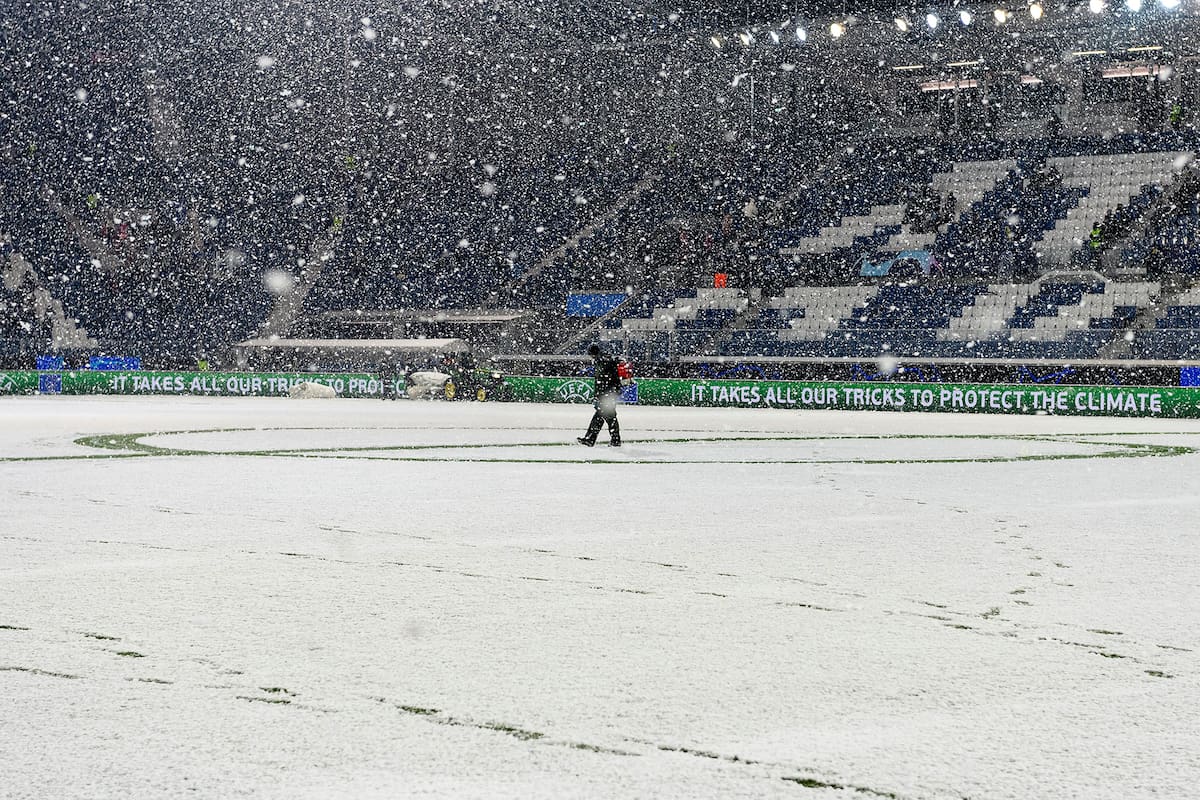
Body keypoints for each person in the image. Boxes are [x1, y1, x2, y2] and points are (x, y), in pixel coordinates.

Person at [577, 343, 622, 447]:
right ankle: (591, 439)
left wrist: (600, 394)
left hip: (607, 394)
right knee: (602, 417)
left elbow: (603, 379)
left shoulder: (602, 361)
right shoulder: (604, 360)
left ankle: (613, 440)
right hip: (609, 393)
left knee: (608, 417)